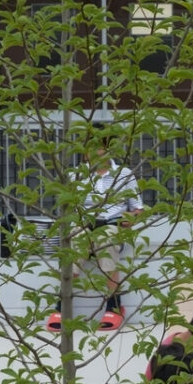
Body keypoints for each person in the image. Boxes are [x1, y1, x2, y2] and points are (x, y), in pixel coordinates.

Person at [47, 138, 143, 333]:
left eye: (102, 147)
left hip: (112, 223)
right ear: (85, 152)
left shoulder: (123, 174)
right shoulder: (77, 175)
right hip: (84, 223)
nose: (98, 152)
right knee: (74, 241)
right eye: (92, 147)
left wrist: (130, 218)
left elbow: (138, 209)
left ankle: (114, 304)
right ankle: (63, 305)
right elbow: (68, 208)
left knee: (107, 239)